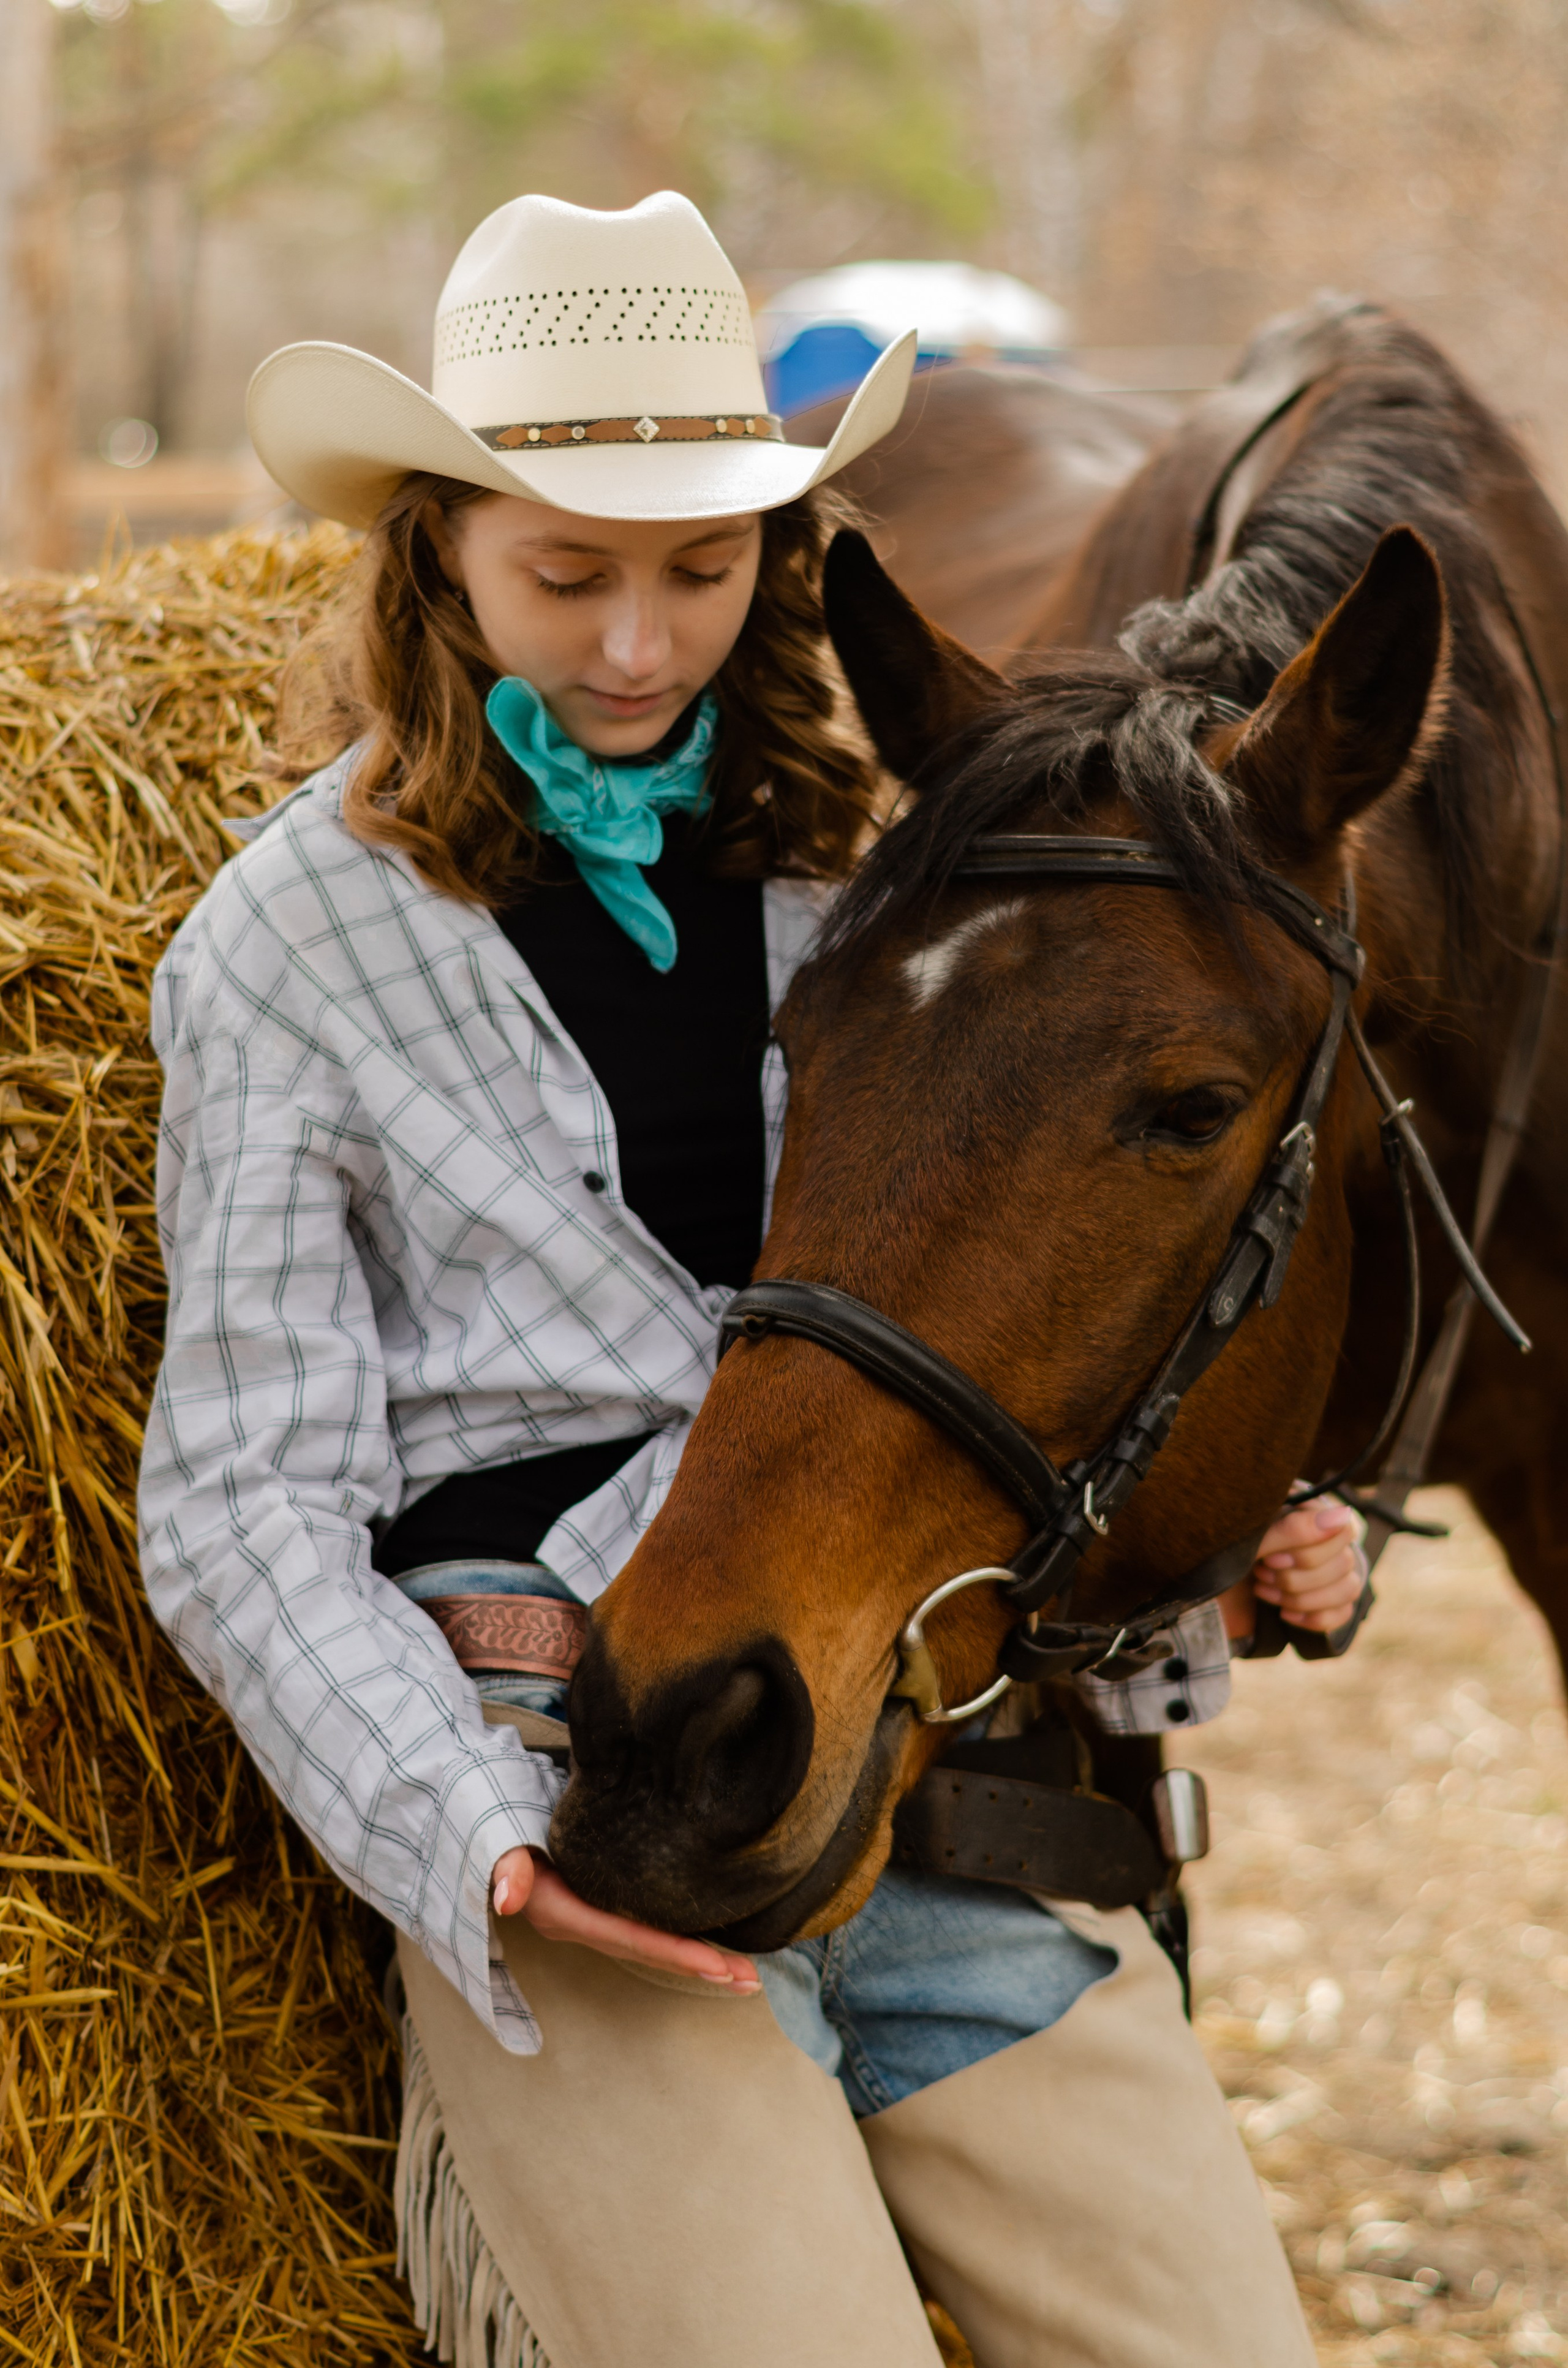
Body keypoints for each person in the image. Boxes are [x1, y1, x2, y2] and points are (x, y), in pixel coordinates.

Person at [139, 191, 1364, 2368]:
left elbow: (1001, 1310)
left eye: (702, 571)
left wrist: (1223, 1526)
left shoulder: (874, 879)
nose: (637, 645)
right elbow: (237, 1494)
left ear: (778, 557)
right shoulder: (284, 946)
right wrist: (471, 1843)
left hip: (908, 1762)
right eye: (566, 570)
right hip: (567, 1774)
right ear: (435, 543)